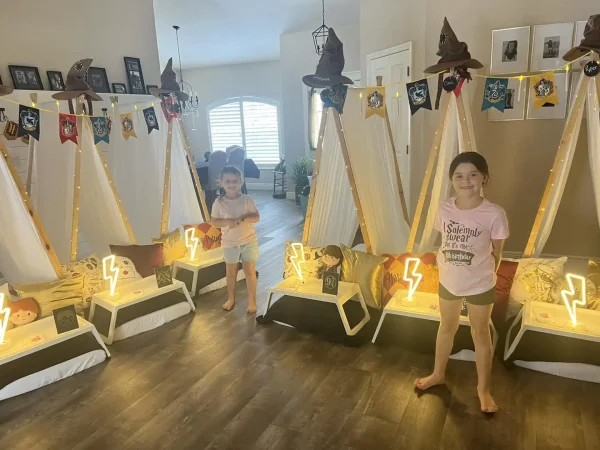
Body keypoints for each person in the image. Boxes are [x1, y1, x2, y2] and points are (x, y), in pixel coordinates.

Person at [414, 152, 509, 414]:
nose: (465, 180)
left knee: (480, 334)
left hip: (480, 284)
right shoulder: (444, 208)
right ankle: (437, 374)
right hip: (448, 281)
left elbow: (497, 253)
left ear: (484, 178)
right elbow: (444, 240)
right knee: (447, 327)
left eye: (473, 174)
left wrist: (484, 275)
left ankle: (483, 389)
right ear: (451, 180)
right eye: (459, 175)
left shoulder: (495, 213)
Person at [210, 166, 260, 313]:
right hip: (229, 243)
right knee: (231, 272)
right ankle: (231, 298)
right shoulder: (218, 203)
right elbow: (214, 222)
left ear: (241, 182)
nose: (232, 184)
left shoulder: (247, 200)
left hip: (248, 241)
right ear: (221, 183)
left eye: (235, 181)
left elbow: (256, 217)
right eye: (228, 181)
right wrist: (227, 222)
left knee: (250, 272)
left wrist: (243, 218)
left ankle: (252, 301)